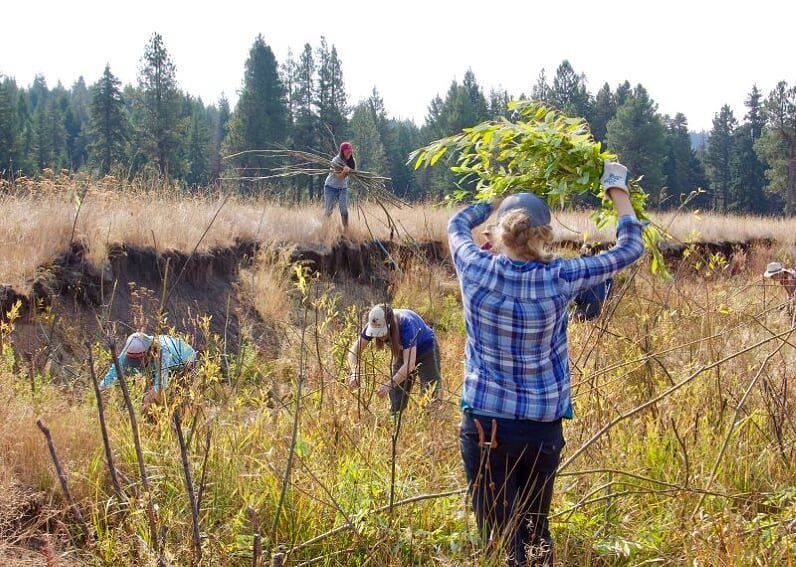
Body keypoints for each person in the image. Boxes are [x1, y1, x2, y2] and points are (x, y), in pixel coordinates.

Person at [448, 161, 644, 566]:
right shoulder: (561, 276)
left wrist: (494, 196)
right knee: (535, 530)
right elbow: (630, 248)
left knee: (499, 540)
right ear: (545, 235)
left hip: (488, 427)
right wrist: (615, 187)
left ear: (500, 232)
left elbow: (456, 223)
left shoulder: (474, 266)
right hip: (541, 432)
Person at [347, 304, 441, 412]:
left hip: (427, 351)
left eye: (381, 333)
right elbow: (353, 352)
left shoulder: (406, 324)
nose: (378, 337)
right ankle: (394, 420)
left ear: (390, 325)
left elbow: (409, 365)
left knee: (430, 395)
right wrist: (355, 372)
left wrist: (388, 385)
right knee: (396, 398)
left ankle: (430, 422)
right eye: (376, 334)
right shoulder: (373, 324)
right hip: (403, 354)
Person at [101, 332, 197, 412]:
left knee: (177, 399)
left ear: (149, 352)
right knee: (150, 399)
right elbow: (115, 370)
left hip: (184, 363)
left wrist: (148, 399)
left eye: (139, 360)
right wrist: (102, 389)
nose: (138, 365)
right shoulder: (129, 349)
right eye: (133, 360)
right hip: (156, 367)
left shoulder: (163, 351)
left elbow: (161, 384)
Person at [571, 244, 614, 321]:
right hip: (598, 303)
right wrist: (605, 298)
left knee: (577, 321)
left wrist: (576, 300)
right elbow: (610, 282)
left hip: (584, 302)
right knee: (593, 321)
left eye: (581, 251)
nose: (580, 253)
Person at [324, 141, 356, 229]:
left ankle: (346, 231)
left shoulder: (351, 161)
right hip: (331, 187)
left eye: (350, 150)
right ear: (342, 151)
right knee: (328, 212)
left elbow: (354, 173)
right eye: (347, 151)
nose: (349, 152)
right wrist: (344, 171)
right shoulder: (336, 161)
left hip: (343, 188)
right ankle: (325, 230)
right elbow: (339, 177)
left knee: (344, 211)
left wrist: (350, 171)